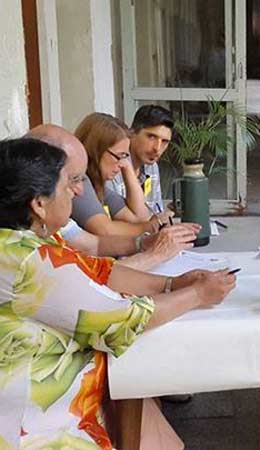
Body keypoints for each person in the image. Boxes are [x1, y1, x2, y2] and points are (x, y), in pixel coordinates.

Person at [0, 138, 236, 449]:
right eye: (68, 183)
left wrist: (172, 284)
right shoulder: (31, 260)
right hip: (35, 426)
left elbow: (97, 270)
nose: (77, 192)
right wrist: (198, 295)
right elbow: (123, 319)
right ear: (39, 204)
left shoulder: (27, 241)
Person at [26, 124, 199, 270]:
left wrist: (145, 242)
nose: (79, 191)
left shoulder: (50, 222)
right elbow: (92, 276)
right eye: (74, 179)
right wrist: (156, 254)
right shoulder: (21, 248)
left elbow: (94, 244)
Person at [106, 105, 173, 214]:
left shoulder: (152, 167)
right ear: (132, 133)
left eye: (164, 141)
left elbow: (156, 213)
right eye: (151, 137)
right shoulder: (114, 166)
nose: (157, 148)